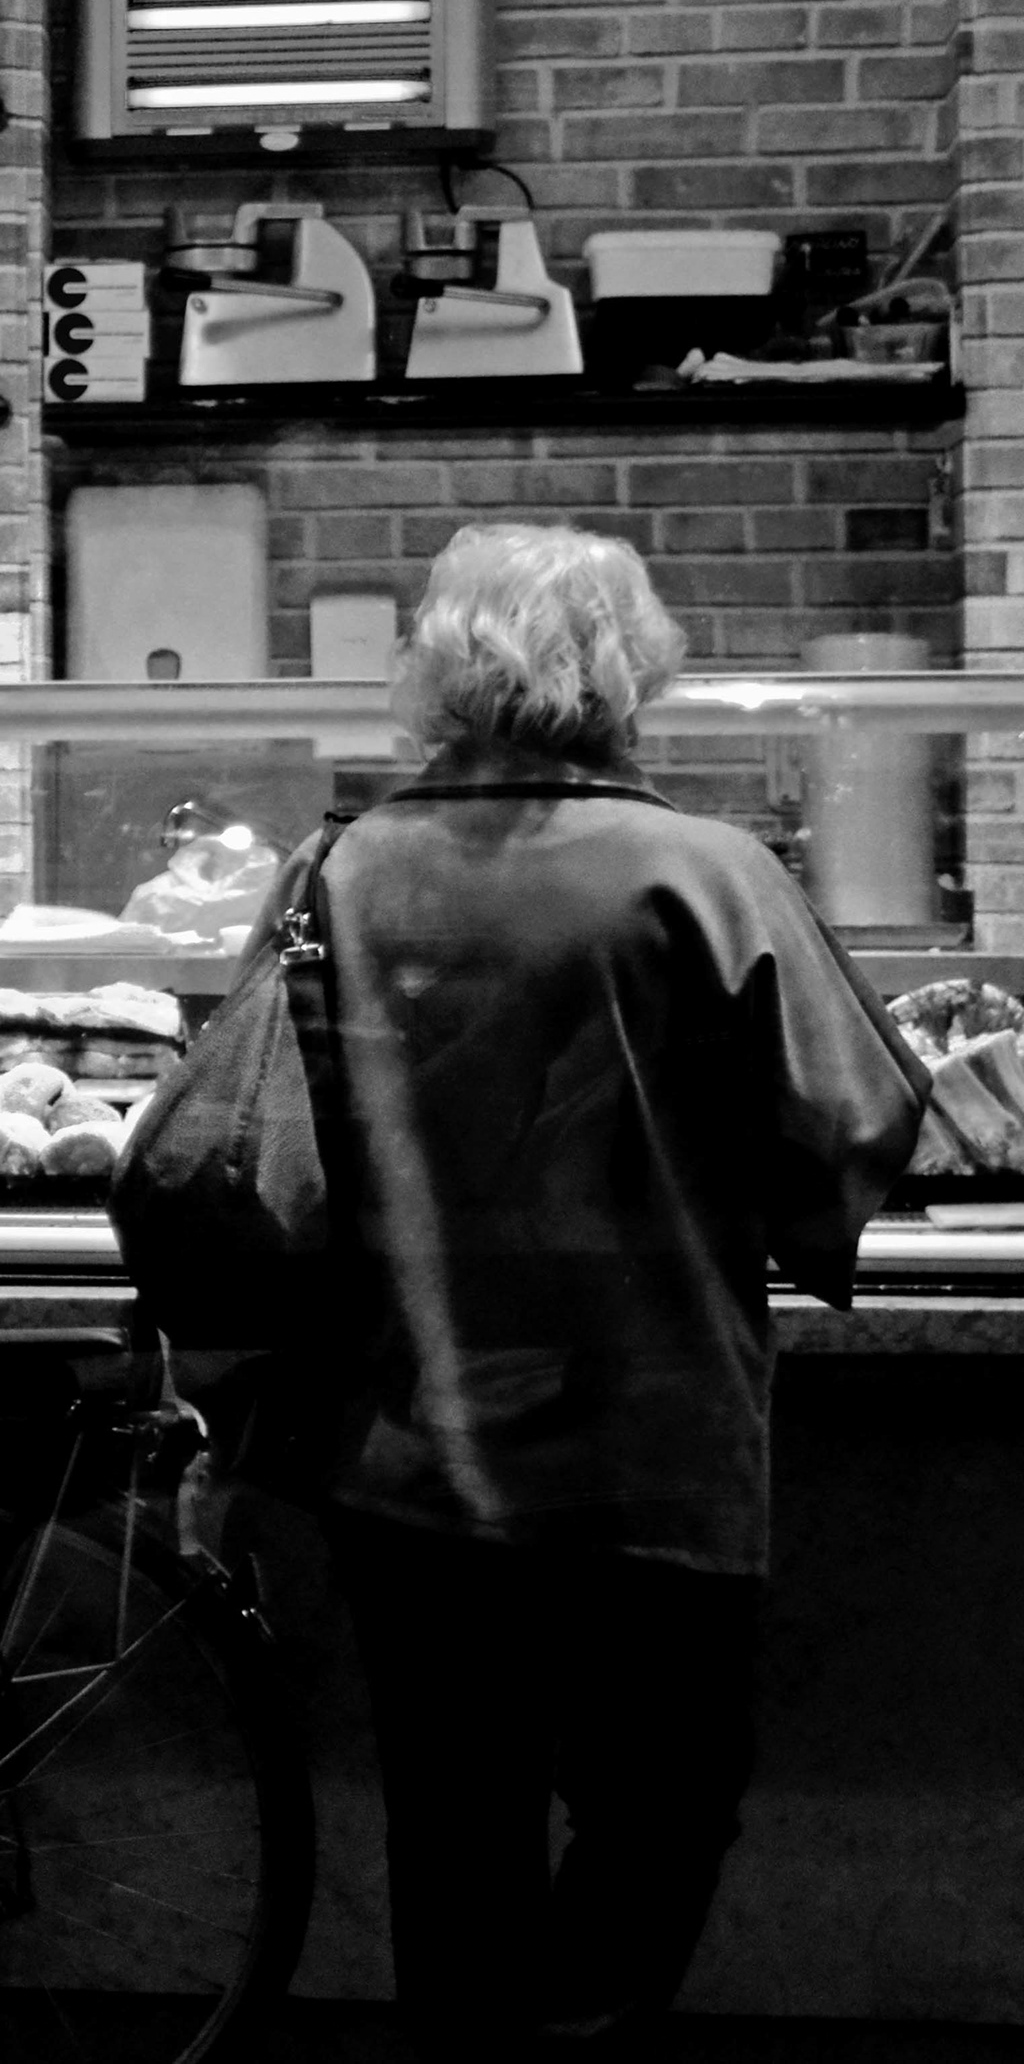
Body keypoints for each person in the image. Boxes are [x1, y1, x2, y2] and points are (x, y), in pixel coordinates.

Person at [294, 524, 923, 2048]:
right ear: (631, 670)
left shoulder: (348, 865)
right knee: (665, 1809)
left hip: (417, 1440)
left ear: (441, 669)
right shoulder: (705, 874)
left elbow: (277, 1130)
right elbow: (852, 1121)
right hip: (652, 1438)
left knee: (456, 1825)